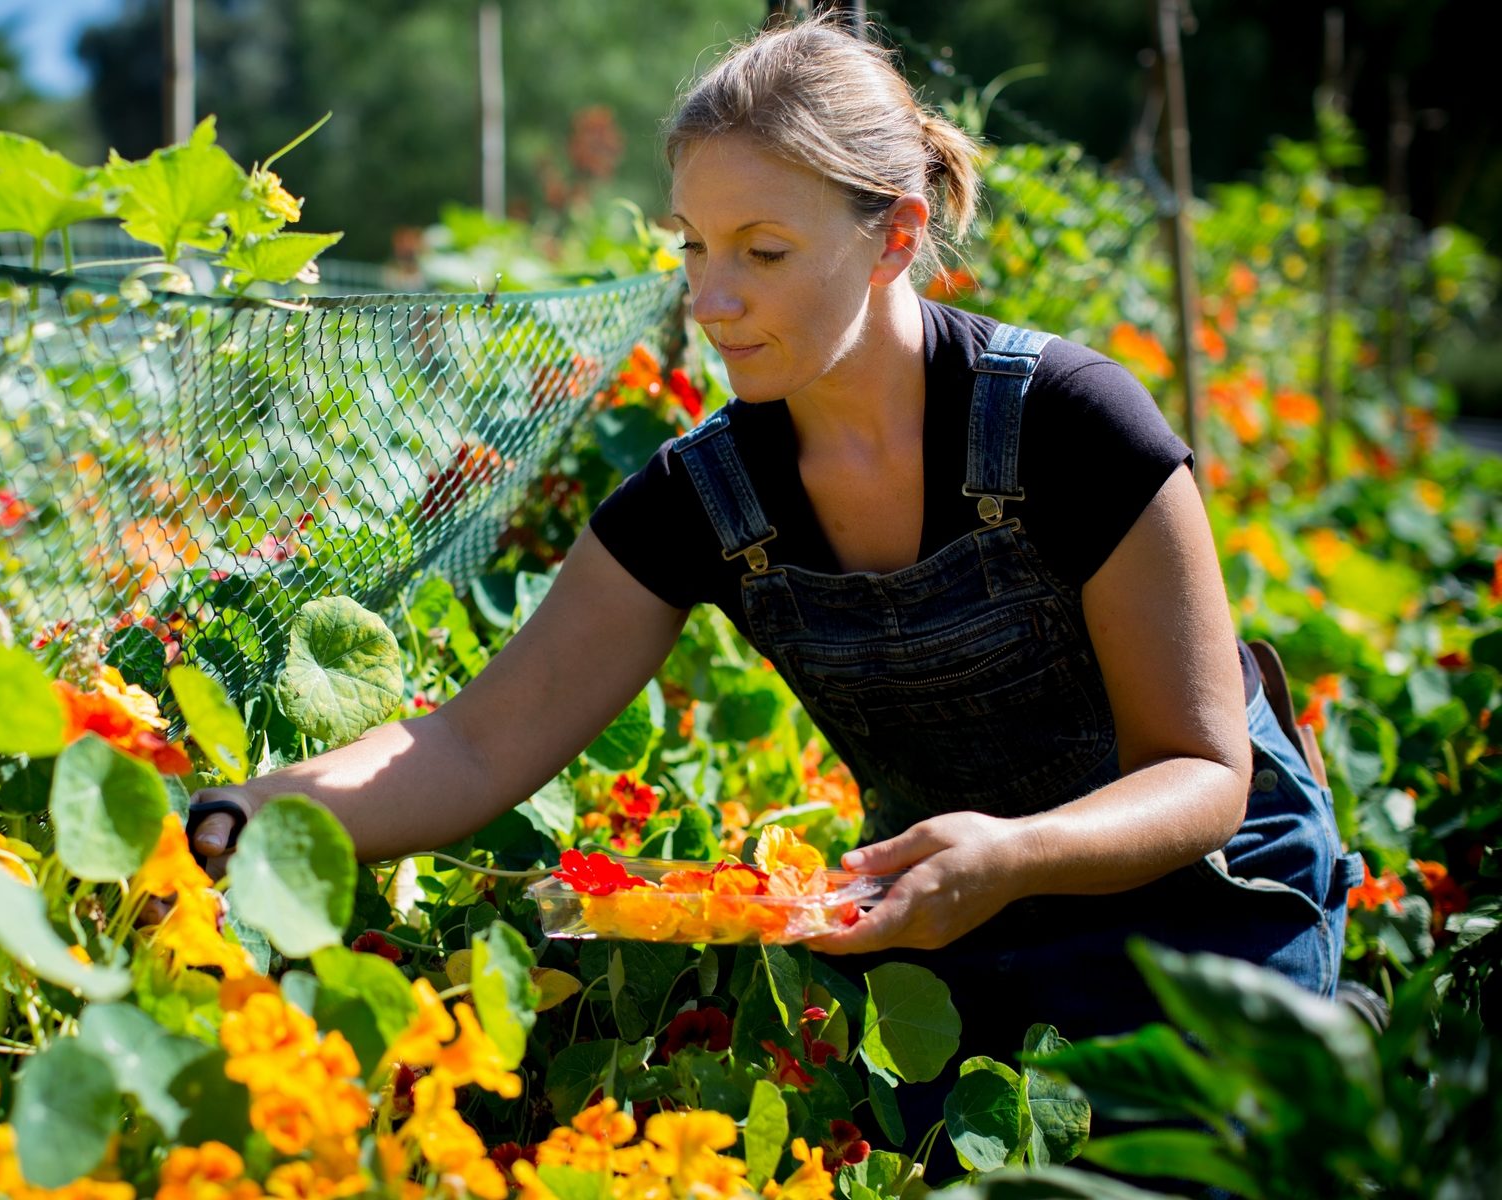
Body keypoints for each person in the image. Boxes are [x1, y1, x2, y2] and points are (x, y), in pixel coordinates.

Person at [188, 14, 1355, 1129]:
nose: (710, 299)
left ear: (895, 235)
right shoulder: (708, 494)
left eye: (763, 251)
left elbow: (1202, 769)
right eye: (693, 246)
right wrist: (245, 813)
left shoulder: (1066, 421)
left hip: (1203, 904)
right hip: (945, 921)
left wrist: (1009, 855)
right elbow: (475, 744)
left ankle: (1335, 1022)